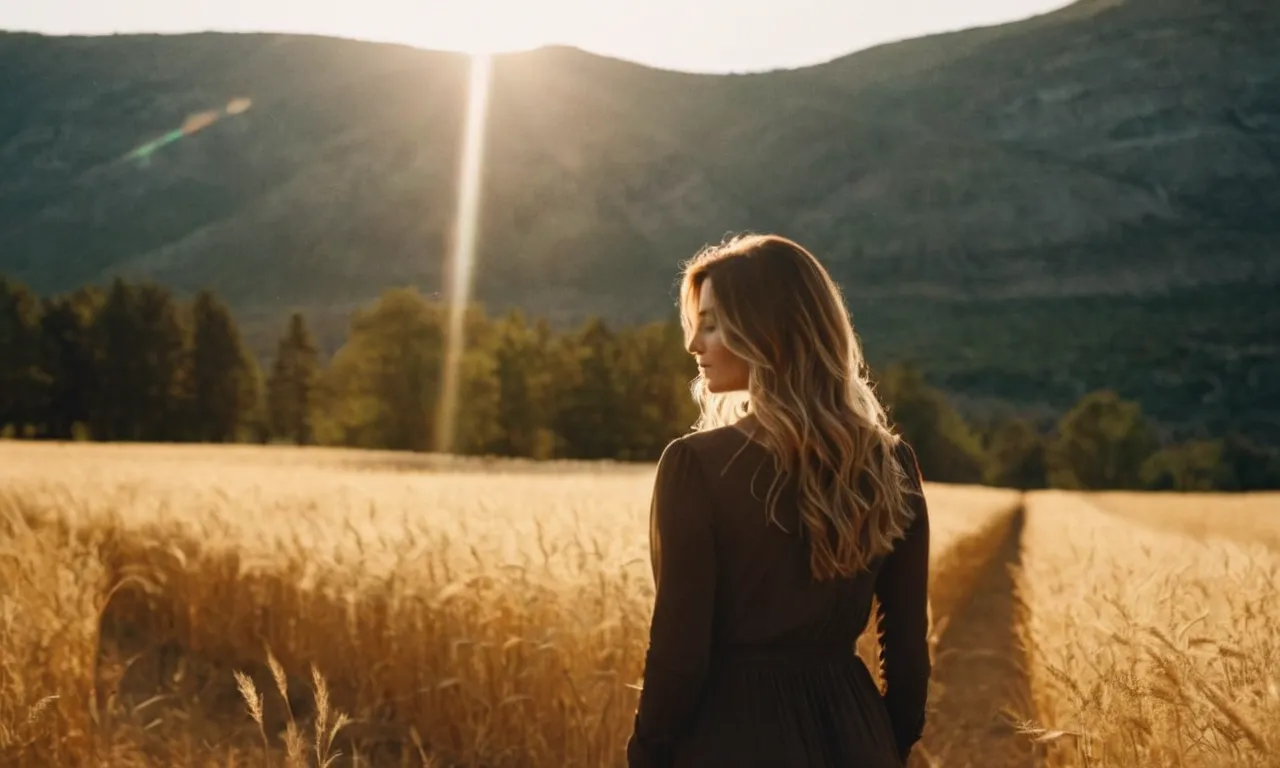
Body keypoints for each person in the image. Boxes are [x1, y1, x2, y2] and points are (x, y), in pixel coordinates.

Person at [625, 233, 932, 767]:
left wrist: (648, 753)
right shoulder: (891, 465)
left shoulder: (695, 466)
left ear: (770, 333)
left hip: (730, 741)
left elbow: (679, 653)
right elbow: (907, 656)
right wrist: (882, 742)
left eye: (714, 323)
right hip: (856, 737)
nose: (693, 344)